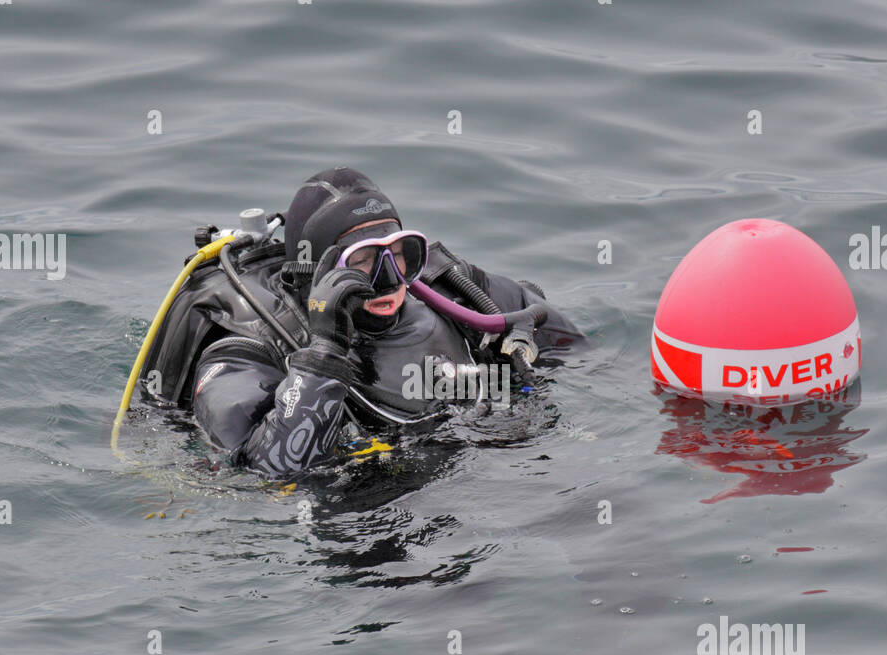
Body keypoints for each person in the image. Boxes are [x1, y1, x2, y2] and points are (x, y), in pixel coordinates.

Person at [141, 167, 582, 477]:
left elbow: (581, 356)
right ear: (315, 272)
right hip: (358, 517)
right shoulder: (245, 346)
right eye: (363, 262)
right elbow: (267, 472)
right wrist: (325, 351)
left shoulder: (451, 294)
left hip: (487, 470)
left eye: (398, 254)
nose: (389, 281)